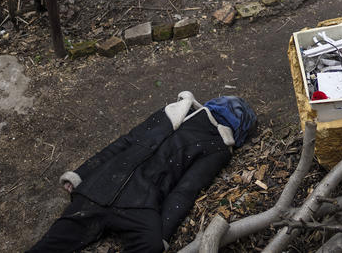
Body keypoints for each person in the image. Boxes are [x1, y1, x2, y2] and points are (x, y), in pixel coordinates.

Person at [29, 92, 257, 253]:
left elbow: (124, 142)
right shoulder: (218, 146)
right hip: (138, 205)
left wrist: (81, 175)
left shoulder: (172, 112)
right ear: (240, 131)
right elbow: (185, 191)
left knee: (50, 244)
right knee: (150, 245)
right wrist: (163, 235)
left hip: (98, 189)